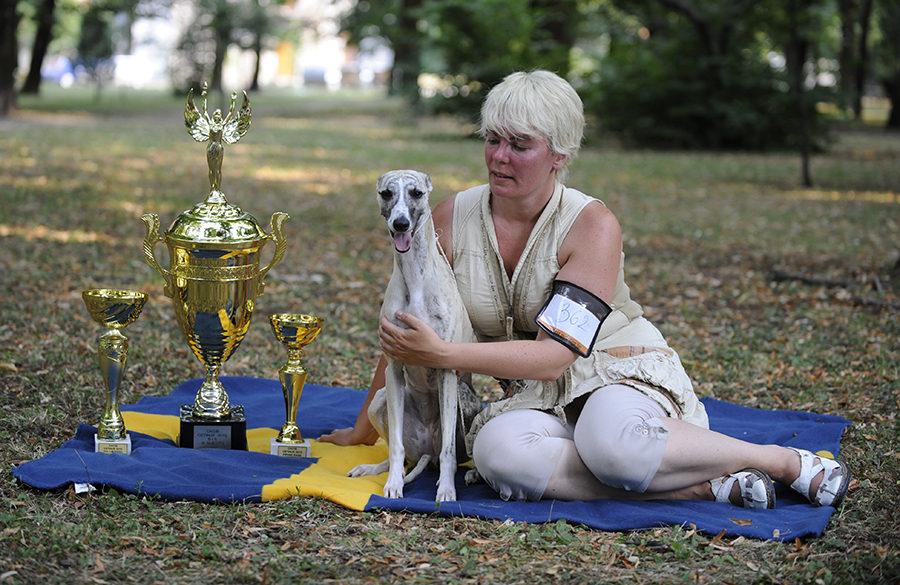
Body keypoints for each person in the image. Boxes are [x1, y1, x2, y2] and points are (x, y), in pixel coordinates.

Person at [320, 70, 850, 509]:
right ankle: (704, 486)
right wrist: (364, 429)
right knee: (496, 455)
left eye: (520, 145)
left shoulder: (592, 225)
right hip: (533, 395)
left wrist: (443, 355)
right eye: (493, 139)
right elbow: (408, 326)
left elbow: (554, 357)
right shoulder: (448, 218)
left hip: (609, 368)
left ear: (561, 155)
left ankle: (779, 461)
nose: (499, 156)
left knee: (608, 444)